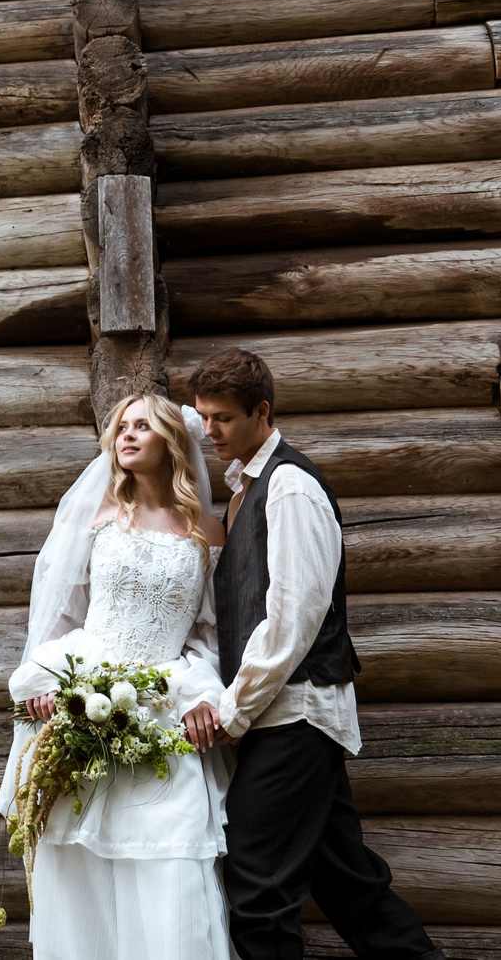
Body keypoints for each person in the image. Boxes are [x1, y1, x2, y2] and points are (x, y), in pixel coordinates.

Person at [182, 348, 446, 960]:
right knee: (351, 888)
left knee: (258, 890)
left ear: (262, 412)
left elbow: (293, 620)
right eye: (203, 418)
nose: (210, 431)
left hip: (293, 714)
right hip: (283, 716)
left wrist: (233, 710)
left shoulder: (290, 487)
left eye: (222, 419)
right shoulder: (245, 486)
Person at [0, 391, 232, 960]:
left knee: (171, 867)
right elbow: (60, 617)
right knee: (81, 870)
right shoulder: (97, 515)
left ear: (170, 440)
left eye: (142, 426)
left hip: (163, 713)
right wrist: (47, 684)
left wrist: (202, 696)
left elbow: (207, 634)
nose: (126, 435)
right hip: (84, 708)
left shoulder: (208, 530)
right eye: (121, 426)